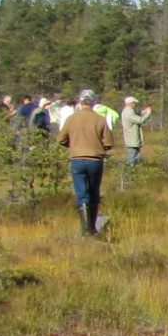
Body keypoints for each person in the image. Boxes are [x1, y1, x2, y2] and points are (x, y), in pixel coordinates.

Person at [56, 89, 120, 238]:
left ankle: (85, 229)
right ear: (93, 102)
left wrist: (74, 146)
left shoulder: (72, 119)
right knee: (93, 192)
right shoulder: (100, 119)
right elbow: (109, 143)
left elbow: (60, 139)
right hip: (95, 160)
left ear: (80, 102)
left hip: (77, 159)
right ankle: (91, 228)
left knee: (81, 193)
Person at [119, 96, 155, 167]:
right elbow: (140, 120)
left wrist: (144, 112)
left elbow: (136, 115)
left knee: (134, 156)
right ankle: (129, 172)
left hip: (131, 138)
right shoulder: (129, 112)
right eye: (134, 103)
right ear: (130, 103)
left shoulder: (127, 111)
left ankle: (132, 171)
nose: (135, 104)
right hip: (132, 138)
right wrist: (148, 113)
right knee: (132, 158)